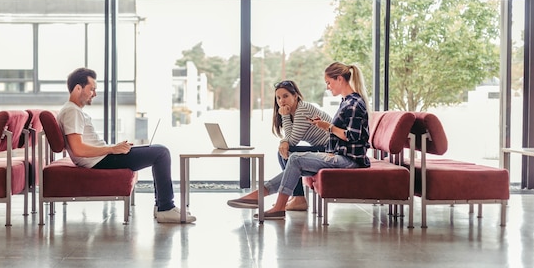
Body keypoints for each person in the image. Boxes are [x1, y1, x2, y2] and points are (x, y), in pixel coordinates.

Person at [227, 62, 370, 219]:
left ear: (340, 79)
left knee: (294, 158)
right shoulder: (347, 101)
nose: (328, 87)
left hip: (349, 159)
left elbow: (353, 137)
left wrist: (327, 127)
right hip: (336, 152)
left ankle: (275, 204)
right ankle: (259, 196)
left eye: (329, 82)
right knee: (293, 162)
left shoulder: (353, 103)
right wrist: (323, 128)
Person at [57, 67, 195, 224]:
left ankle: (163, 206)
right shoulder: (72, 112)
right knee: (161, 153)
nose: (95, 94)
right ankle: (165, 208)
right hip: (100, 161)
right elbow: (78, 149)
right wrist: (112, 149)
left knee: (157, 149)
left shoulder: (72, 111)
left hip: (102, 157)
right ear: (78, 88)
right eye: (92, 89)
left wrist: (114, 148)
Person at [228, 80, 332, 211]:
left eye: (286, 96)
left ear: (295, 96)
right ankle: (297, 197)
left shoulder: (303, 109)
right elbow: (289, 139)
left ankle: (296, 197)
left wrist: (285, 118)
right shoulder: (294, 111)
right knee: (285, 152)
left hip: (330, 148)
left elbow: (291, 141)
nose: (281, 101)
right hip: (322, 147)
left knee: (287, 151)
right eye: (278, 97)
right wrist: (284, 139)